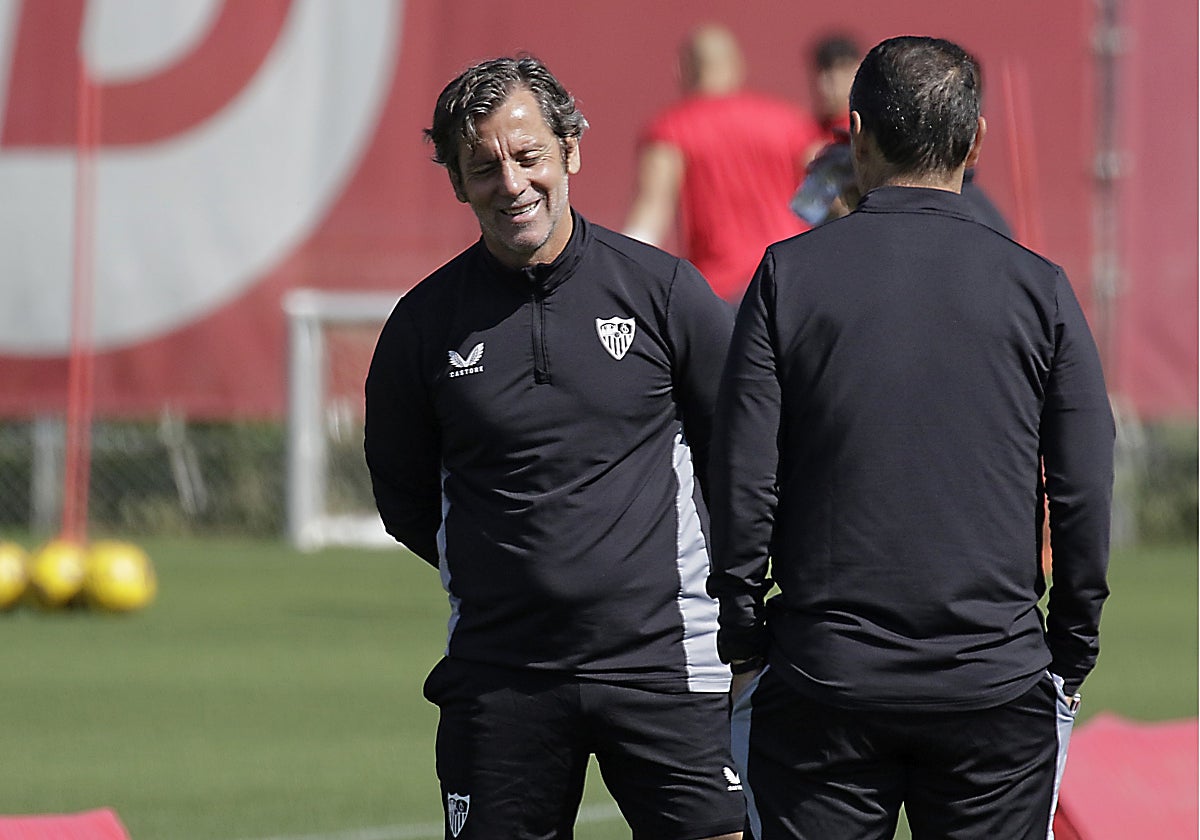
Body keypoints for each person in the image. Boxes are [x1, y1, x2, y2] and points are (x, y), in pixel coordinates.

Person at [708, 36, 1114, 839]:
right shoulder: (1042, 290)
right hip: (994, 689)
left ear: (855, 132)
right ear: (976, 140)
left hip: (823, 683)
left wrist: (743, 636)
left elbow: (742, 479)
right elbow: (1083, 490)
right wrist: (1069, 652)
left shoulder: (788, 277)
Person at [364, 56, 743, 840]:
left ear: (570, 150)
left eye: (528, 156)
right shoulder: (424, 324)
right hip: (502, 677)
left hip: (667, 664)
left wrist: (729, 600)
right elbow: (402, 494)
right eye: (484, 167)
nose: (511, 184)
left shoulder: (664, 293)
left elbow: (742, 457)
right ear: (458, 184)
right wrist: (498, 565)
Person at [624, 24, 820, 305]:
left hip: (723, 293)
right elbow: (826, 201)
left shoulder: (671, 130)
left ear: (682, 69)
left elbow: (651, 216)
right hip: (794, 284)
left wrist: (619, 276)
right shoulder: (792, 123)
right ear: (737, 64)